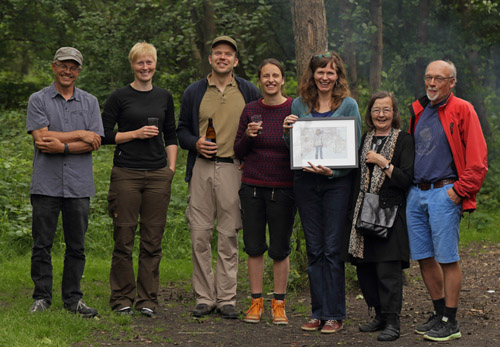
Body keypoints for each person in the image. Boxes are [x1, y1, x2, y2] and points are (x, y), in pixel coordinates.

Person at [177, 36, 261, 319]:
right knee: (199, 234)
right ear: (210, 58)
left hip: (234, 169)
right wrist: (194, 142)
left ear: (235, 61)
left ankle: (226, 298)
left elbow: (257, 130)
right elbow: (181, 131)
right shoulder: (195, 91)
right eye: (217, 53)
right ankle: (204, 297)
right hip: (201, 167)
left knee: (228, 236)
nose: (222, 58)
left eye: (228, 54)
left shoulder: (248, 90)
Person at [407, 60, 487, 341]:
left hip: (445, 192)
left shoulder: (463, 109)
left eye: (438, 79)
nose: (431, 83)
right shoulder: (418, 110)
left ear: (451, 82)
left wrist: (458, 191)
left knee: (447, 258)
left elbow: (478, 161)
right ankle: (438, 313)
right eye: (428, 77)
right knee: (424, 258)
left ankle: (451, 321)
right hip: (416, 193)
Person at [283, 51, 361, 333]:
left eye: (330, 72)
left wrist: (334, 172)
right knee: (314, 249)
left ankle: (334, 315)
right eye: (320, 72)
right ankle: (317, 312)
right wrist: (286, 131)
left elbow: (354, 149)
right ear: (312, 75)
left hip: (336, 184)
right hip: (305, 183)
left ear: (338, 75)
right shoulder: (299, 104)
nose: (325, 77)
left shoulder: (349, 106)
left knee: (331, 249)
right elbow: (293, 148)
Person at [101, 42, 178, 317]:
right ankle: (121, 297)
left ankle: (147, 299)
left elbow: (171, 134)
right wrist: (134, 133)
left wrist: (169, 169)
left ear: (155, 64)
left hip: (158, 175)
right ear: (132, 65)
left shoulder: (164, 96)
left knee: (152, 240)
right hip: (126, 173)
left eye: (149, 62)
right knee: (123, 237)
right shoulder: (119, 97)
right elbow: (104, 135)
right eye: (139, 63)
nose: (145, 68)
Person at [26, 47, 102, 317]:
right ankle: (42, 298)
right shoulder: (38, 99)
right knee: (42, 244)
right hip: (45, 184)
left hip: (79, 185)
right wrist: (80, 133)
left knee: (76, 246)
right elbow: (42, 139)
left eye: (73, 67)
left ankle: (73, 299)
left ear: (79, 71)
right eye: (63, 66)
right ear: (53, 67)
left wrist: (64, 146)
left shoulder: (90, 102)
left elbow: (95, 142)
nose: (67, 71)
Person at [342, 91, 414, 341]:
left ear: (394, 114)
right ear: (370, 114)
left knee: (388, 269)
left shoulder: (404, 140)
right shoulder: (365, 138)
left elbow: (406, 179)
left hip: (390, 212)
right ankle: (379, 315)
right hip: (363, 211)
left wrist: (383, 162)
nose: (381, 114)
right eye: (376, 110)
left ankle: (393, 321)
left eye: (386, 110)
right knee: (366, 268)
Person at [234, 58, 296, 325]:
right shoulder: (250, 110)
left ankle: (279, 304)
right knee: (254, 247)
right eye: (266, 76)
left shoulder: (295, 108)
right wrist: (248, 136)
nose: (271, 80)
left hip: (284, 188)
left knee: (280, 249)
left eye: (276, 75)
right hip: (253, 187)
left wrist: (289, 134)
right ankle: (256, 302)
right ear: (259, 81)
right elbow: (238, 152)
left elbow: (303, 149)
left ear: (283, 80)